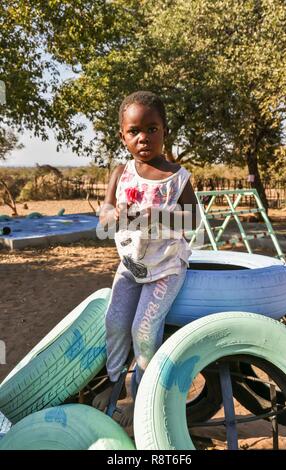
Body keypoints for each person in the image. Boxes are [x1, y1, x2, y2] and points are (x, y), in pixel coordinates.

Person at [93, 91, 199, 426]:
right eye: (134, 131)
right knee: (114, 322)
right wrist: (114, 215)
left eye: (152, 129)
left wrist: (157, 217)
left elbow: (192, 222)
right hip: (131, 265)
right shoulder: (121, 173)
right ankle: (114, 386)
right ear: (122, 135)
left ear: (165, 130)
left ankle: (143, 398)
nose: (144, 138)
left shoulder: (178, 178)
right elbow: (105, 216)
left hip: (165, 267)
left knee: (143, 329)